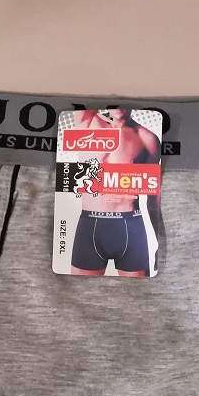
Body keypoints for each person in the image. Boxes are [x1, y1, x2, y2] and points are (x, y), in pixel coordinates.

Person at [69, 108, 160, 277]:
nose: (120, 108)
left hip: (130, 226)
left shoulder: (146, 138)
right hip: (90, 225)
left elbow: (154, 198)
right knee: (75, 291)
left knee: (139, 293)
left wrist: (159, 243)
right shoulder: (88, 122)